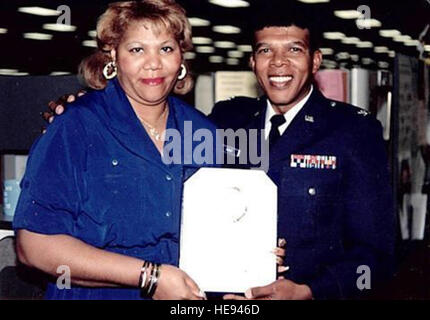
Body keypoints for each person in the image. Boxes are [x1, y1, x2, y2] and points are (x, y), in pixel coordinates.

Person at [42, 4, 396, 300]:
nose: (278, 63)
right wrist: (73, 105)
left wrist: (309, 290)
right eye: (265, 50)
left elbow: (378, 253)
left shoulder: (353, 132)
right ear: (252, 62)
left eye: (294, 49)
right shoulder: (224, 121)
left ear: (316, 61)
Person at [13, 0, 220, 300]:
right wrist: (150, 277)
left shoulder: (202, 133)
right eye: (137, 49)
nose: (154, 63)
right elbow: (33, 245)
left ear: (181, 57)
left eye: (166, 49)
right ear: (113, 54)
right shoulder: (76, 125)